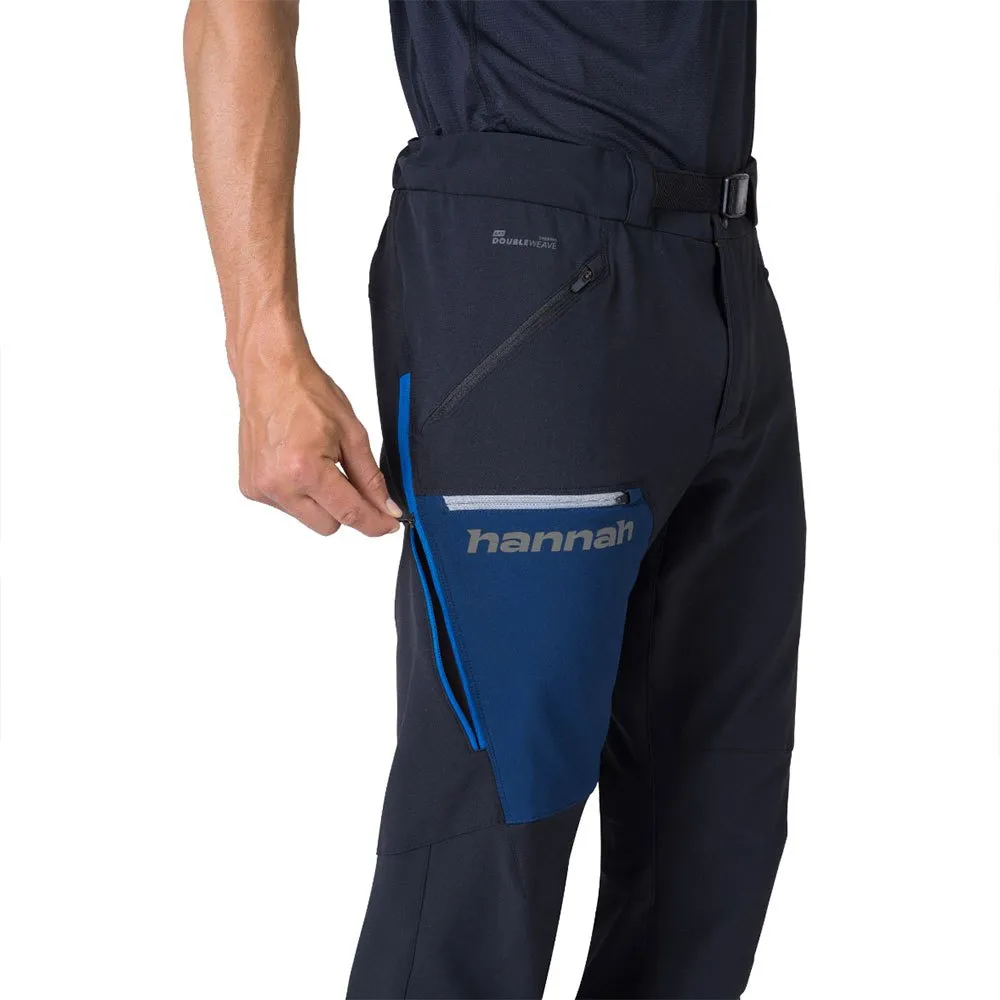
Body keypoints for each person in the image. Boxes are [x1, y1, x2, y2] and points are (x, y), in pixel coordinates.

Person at [183, 3, 805, 997]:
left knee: (714, 833)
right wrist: (264, 354)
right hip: (532, 265)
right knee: (490, 843)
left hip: (725, 264)